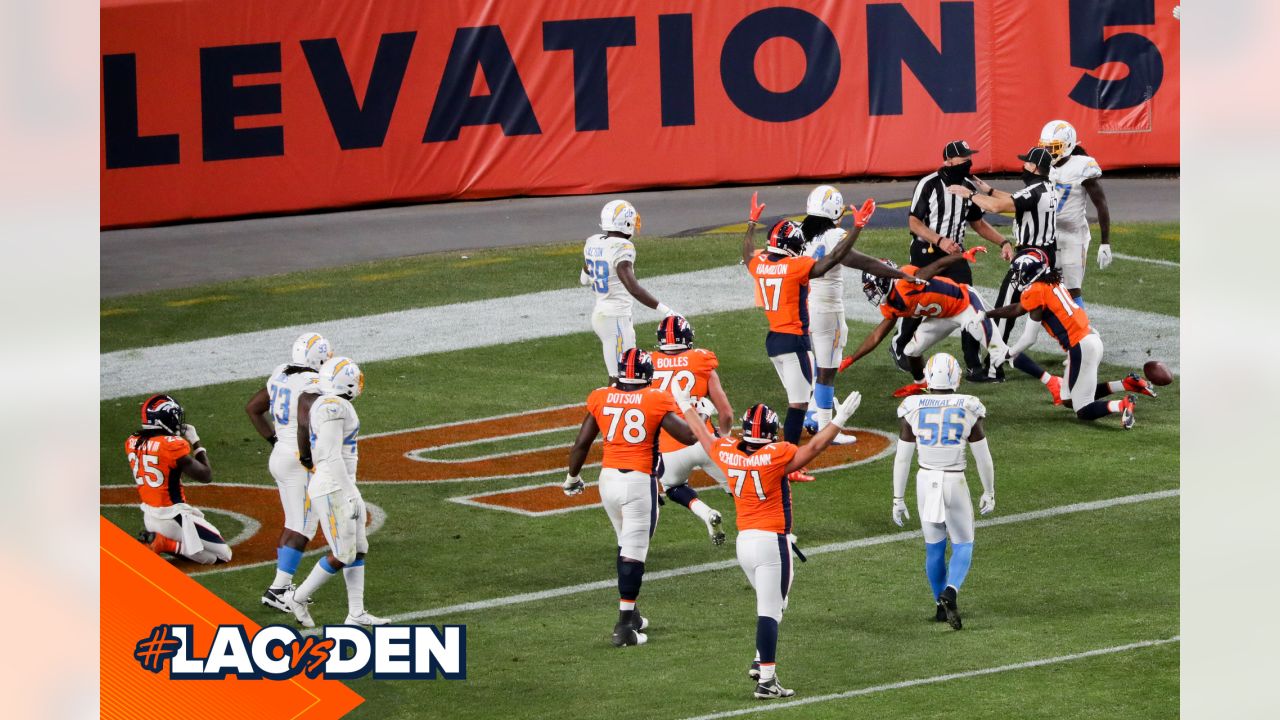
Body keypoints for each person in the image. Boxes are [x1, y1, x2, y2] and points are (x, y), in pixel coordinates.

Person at [675, 385, 863, 699]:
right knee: (770, 608)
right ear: (771, 432)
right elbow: (814, 447)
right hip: (771, 540)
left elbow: (704, 437)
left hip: (745, 542)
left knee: (775, 602)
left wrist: (685, 405)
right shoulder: (776, 455)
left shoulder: (728, 451)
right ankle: (766, 679)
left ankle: (761, 659)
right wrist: (839, 419)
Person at [563, 348, 699, 647]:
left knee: (626, 544)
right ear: (646, 376)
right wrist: (693, 412)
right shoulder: (654, 398)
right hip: (638, 483)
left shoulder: (602, 396)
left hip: (608, 481)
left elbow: (582, 443)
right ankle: (624, 626)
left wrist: (572, 477)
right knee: (634, 553)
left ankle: (632, 612)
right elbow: (688, 436)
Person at [742, 192, 882, 443]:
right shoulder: (797, 266)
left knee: (801, 392)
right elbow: (835, 258)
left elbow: (748, 254)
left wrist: (751, 223)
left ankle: (812, 420)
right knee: (801, 399)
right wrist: (857, 228)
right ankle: (801, 448)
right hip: (798, 335)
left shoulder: (759, 264)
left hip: (774, 338)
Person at [981, 250, 1156, 427]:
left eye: (1018, 273)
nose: (1016, 277)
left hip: (1081, 346)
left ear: (1028, 274)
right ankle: (1127, 383)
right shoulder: (1052, 281)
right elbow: (1017, 309)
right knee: (1067, 399)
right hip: (1090, 339)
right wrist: (987, 314)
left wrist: (1007, 354)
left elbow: (1029, 338)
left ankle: (1122, 404)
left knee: (1083, 410)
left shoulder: (1035, 291)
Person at [799, 185, 919, 442]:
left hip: (805, 307)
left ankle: (813, 412)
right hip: (828, 308)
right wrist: (899, 274)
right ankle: (824, 429)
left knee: (815, 364)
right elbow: (862, 261)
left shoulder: (800, 233)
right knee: (826, 370)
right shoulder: (833, 235)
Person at [896, 140, 1016, 382]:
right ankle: (901, 346)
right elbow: (914, 222)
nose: (969, 162)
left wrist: (1002, 241)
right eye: (964, 158)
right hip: (926, 251)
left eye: (969, 157)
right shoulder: (928, 184)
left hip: (955, 254)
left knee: (967, 303)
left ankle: (972, 365)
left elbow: (978, 223)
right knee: (918, 301)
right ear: (948, 161)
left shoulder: (967, 186)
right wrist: (940, 240)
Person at [890, 353, 995, 630]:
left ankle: (939, 606)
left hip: (925, 480)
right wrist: (989, 491)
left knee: (934, 548)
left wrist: (897, 498)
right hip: (954, 481)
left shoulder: (913, 406)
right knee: (963, 544)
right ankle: (950, 590)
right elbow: (982, 456)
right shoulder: (967, 406)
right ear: (955, 377)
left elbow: (902, 457)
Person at [950, 147, 1063, 401]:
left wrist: (971, 194)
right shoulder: (1046, 187)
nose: (1023, 167)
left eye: (1026, 164)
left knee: (1004, 310)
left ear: (1034, 168)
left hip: (1030, 258)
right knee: (1039, 310)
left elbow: (999, 206)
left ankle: (993, 367)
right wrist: (987, 189)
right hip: (1045, 256)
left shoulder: (1034, 190)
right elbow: (1013, 198)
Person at [283, 357, 388, 629]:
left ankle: (356, 613)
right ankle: (298, 597)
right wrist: (350, 492)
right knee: (344, 553)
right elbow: (330, 454)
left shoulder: (328, 404)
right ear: (347, 382)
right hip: (333, 487)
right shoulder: (333, 407)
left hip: (339, 484)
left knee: (359, 548)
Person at [839, 252, 1007, 397]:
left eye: (872, 286)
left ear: (884, 279)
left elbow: (938, 265)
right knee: (910, 350)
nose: (871, 292)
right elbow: (877, 336)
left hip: (965, 304)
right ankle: (921, 383)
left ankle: (1028, 371)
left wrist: (962, 256)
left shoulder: (905, 282)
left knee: (999, 350)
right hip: (942, 317)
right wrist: (852, 358)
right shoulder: (889, 303)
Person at [245, 332, 330, 611]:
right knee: (303, 526)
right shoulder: (311, 382)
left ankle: (281, 586)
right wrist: (307, 457)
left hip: (281, 453)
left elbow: (253, 408)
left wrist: (274, 440)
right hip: (297, 458)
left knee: (294, 521)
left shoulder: (281, 372)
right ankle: (279, 590)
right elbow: (305, 424)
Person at [651, 315, 732, 545]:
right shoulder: (701, 361)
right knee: (740, 486)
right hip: (705, 441)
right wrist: (725, 441)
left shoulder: (648, 365)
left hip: (669, 448)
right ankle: (769, 530)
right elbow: (725, 412)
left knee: (673, 487)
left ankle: (706, 513)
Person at [126, 394, 231, 565]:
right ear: (164, 419)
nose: (177, 421)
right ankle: (163, 543)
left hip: (150, 518)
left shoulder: (132, 441)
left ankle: (160, 541)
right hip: (173, 518)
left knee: (208, 557)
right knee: (223, 555)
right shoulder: (172, 445)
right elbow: (206, 475)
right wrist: (196, 442)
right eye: (174, 417)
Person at [581, 199, 678, 385]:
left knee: (624, 374)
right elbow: (632, 287)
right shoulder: (623, 247)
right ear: (625, 222)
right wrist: (665, 310)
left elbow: (584, 279)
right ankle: (611, 412)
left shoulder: (592, 242)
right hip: (614, 317)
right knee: (620, 377)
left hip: (603, 314)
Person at [1038, 120, 1112, 305]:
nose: (1049, 152)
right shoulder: (1041, 165)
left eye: (1054, 147)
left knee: (1072, 289)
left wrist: (1105, 243)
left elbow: (1101, 204)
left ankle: (1081, 331)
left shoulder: (1082, 166)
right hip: (1048, 233)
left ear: (1068, 145)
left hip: (1073, 235)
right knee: (1044, 287)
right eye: (1046, 147)